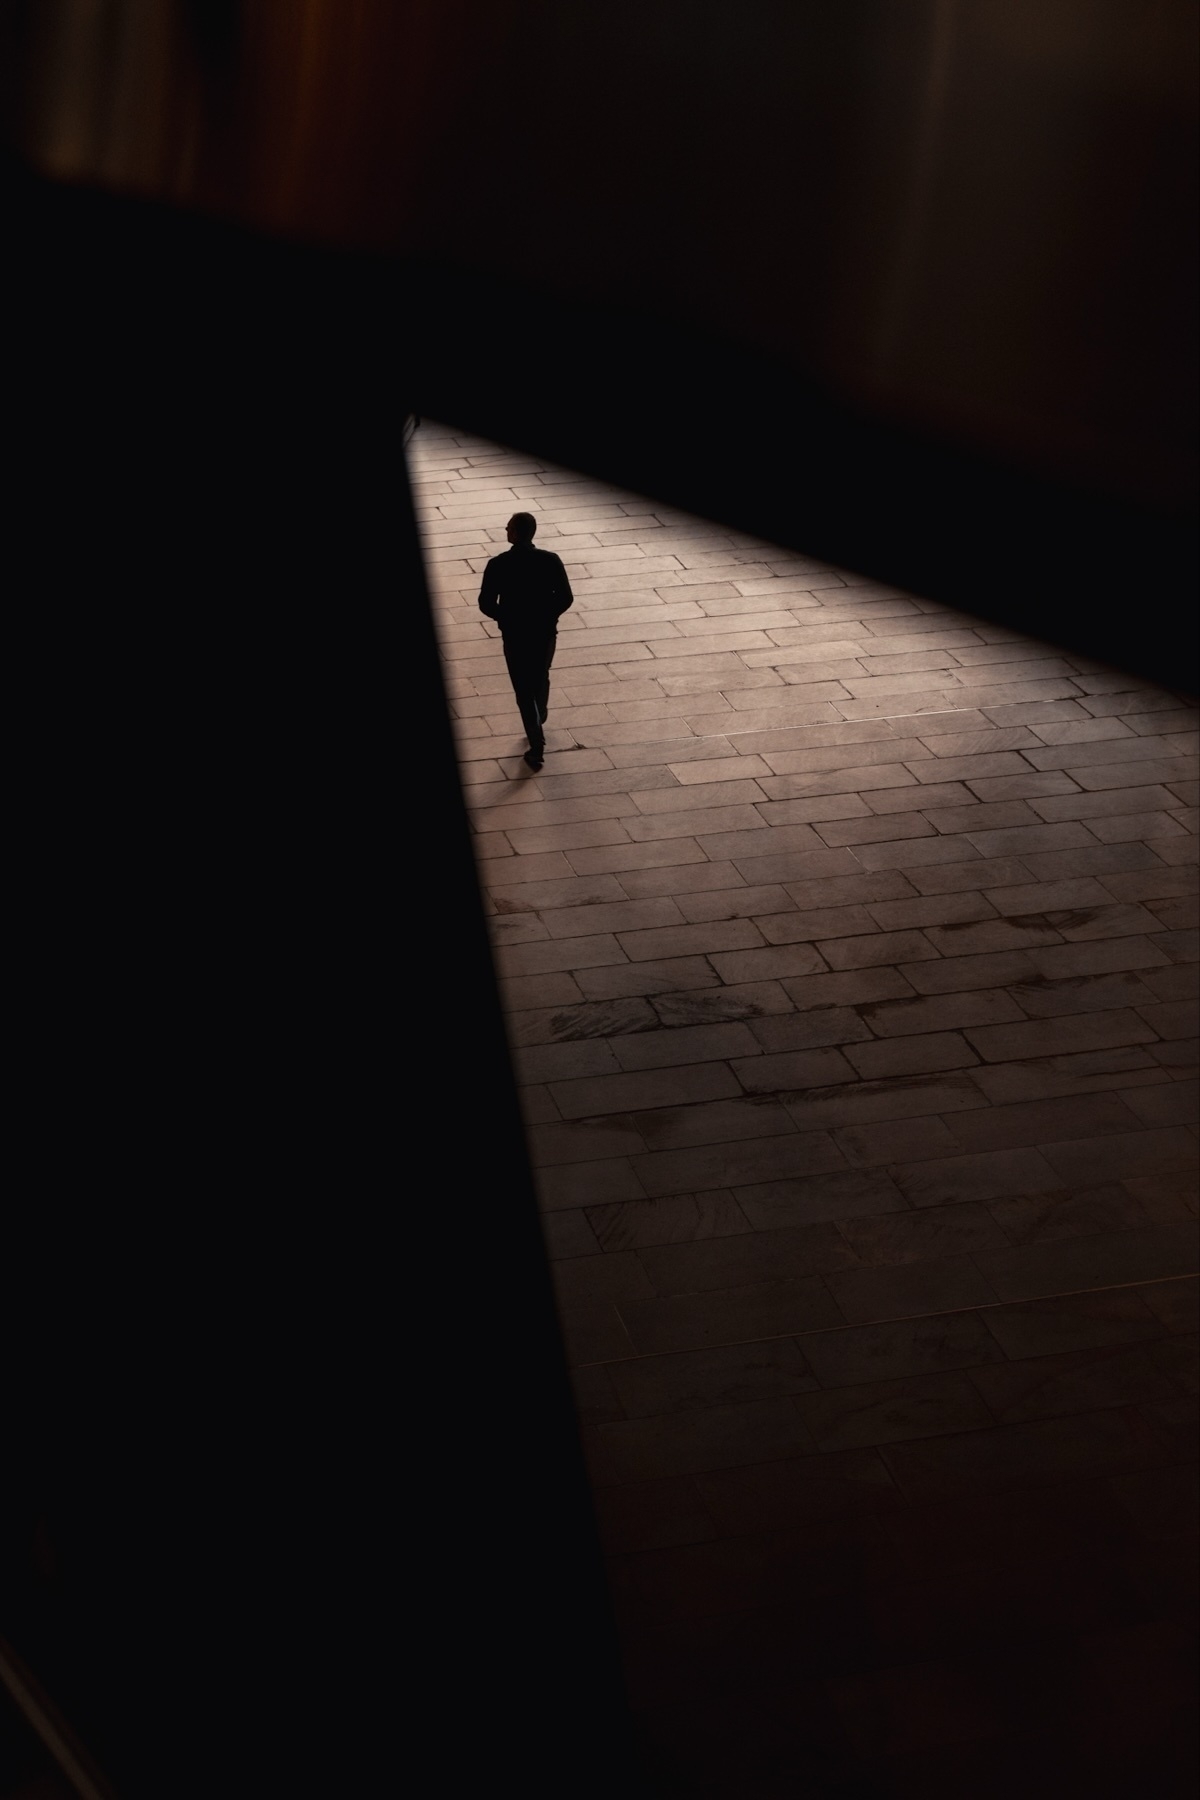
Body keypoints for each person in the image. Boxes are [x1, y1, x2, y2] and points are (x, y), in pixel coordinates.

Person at [477, 513, 574, 770]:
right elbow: (565, 597)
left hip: (515, 635)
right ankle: (539, 713)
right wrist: (546, 614)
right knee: (541, 675)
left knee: (523, 689)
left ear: (515, 534)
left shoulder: (498, 564)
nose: (506, 530)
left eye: (508, 527)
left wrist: (507, 617)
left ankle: (537, 744)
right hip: (544, 632)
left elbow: (486, 604)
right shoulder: (550, 560)